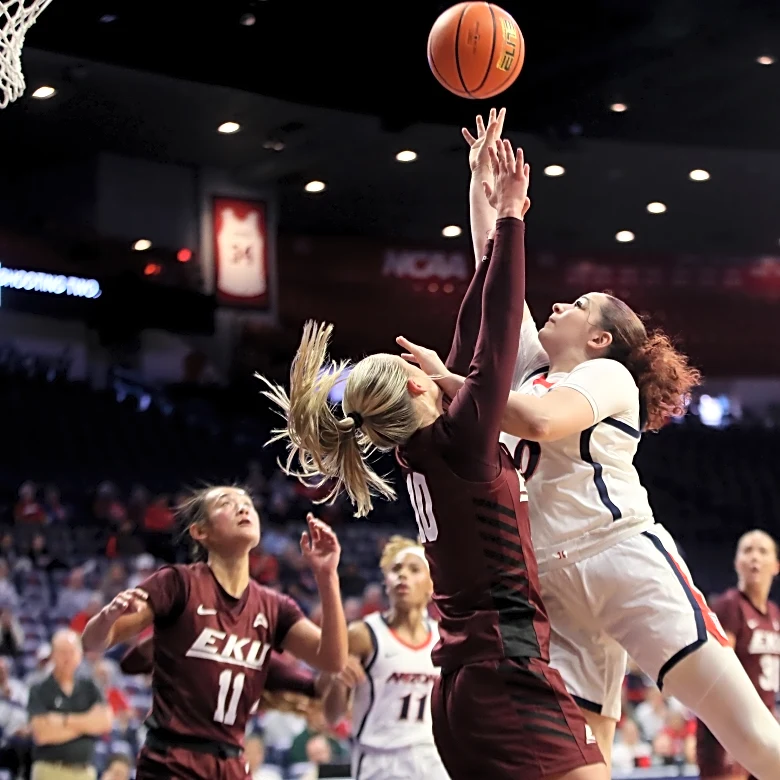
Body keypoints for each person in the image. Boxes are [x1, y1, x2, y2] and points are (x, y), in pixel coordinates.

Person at [398, 107, 780, 779]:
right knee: (584, 760)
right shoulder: (528, 372)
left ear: (600, 337)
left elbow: (542, 424)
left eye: (573, 306)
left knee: (750, 738)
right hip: (549, 585)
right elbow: (494, 272)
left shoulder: (604, 376)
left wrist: (450, 379)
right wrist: (481, 187)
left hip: (622, 559)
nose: (553, 308)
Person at [258, 133, 605, 780]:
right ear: (419, 384)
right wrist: (512, 216)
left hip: (460, 692)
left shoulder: (428, 449)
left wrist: (480, 190)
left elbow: (477, 313)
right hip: (509, 676)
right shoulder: (458, 444)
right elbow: (496, 327)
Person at [81, 487, 348, 780]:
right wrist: (107, 618)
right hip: (172, 761)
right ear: (200, 531)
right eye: (227, 503)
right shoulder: (178, 583)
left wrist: (327, 577)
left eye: (247, 503)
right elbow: (94, 641)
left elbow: (332, 660)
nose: (243, 508)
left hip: (232, 762)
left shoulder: (275, 606)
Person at [322, 535, 448, 779]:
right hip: (379, 760)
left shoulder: (443, 639)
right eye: (396, 569)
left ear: (431, 584)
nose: (403, 576)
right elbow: (332, 716)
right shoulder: (363, 634)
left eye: (414, 570)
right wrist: (338, 681)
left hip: (433, 758)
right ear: (385, 583)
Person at [697, 529, 780, 780]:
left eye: (762, 551)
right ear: (736, 563)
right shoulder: (728, 605)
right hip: (729, 729)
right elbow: (718, 670)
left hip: (764, 726)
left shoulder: (775, 614)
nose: (754, 556)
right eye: (747, 550)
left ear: (776, 566)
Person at [28, 628, 112, 780]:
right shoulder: (39, 688)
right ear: (52, 655)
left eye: (71, 651)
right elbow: (42, 734)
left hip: (84, 771)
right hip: (49, 770)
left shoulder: (90, 686)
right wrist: (87, 724)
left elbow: (104, 723)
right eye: (62, 652)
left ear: (80, 655)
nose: (67, 657)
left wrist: (63, 720)